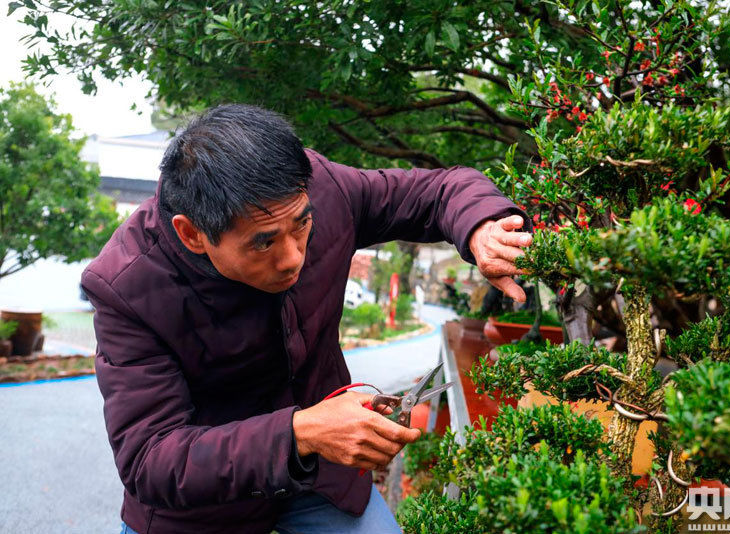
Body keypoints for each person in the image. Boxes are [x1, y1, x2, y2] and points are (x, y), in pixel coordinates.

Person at [82, 104, 532, 534]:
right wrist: (300, 432)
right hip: (200, 508)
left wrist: (482, 225)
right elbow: (150, 459)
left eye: (301, 225)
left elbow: (437, 191)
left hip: (321, 476)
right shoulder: (125, 287)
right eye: (263, 243)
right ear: (192, 233)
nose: (293, 257)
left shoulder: (322, 190)